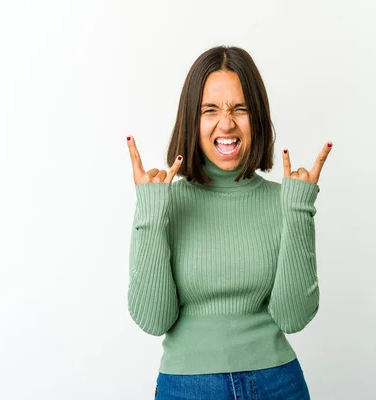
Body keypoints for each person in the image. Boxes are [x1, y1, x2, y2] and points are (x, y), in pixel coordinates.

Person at [126, 45, 333, 400]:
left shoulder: (285, 201)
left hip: (277, 385)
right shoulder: (164, 201)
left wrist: (299, 210)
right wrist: (151, 209)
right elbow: (152, 319)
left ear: (258, 117)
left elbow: (294, 317)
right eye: (210, 110)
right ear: (192, 119)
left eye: (241, 109)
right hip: (187, 388)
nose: (227, 123)